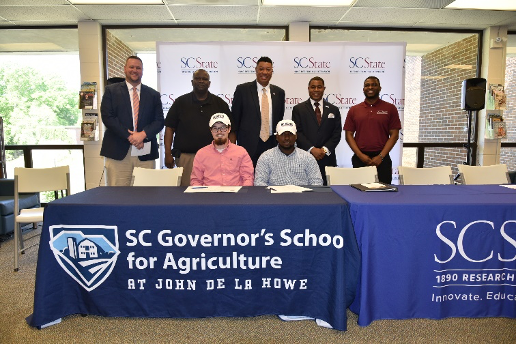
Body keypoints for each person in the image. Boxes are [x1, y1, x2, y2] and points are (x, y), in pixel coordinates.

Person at [100, 56, 164, 186]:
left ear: (142, 71)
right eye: (131, 67)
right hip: (118, 153)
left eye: (138, 68)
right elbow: (107, 117)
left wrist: (142, 135)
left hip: (145, 154)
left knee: (145, 196)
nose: (135, 70)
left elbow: (159, 121)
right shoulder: (111, 91)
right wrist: (131, 136)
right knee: (118, 197)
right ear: (125, 69)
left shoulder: (153, 95)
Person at [164, 69, 233, 186]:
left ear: (209, 83)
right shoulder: (180, 102)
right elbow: (170, 128)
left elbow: (231, 130)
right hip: (187, 157)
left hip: (215, 156)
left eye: (204, 79)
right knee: (187, 194)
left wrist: (230, 153)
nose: (201, 81)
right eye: (198, 78)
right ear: (192, 82)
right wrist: (167, 153)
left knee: (213, 192)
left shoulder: (220, 103)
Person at [343, 76, 401, 184]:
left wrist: (380, 157)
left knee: (384, 194)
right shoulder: (354, 110)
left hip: (382, 159)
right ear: (363, 89)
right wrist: (360, 156)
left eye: (374, 85)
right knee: (359, 193)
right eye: (367, 85)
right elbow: (348, 135)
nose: (370, 87)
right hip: (360, 158)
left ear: (380, 88)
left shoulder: (390, 108)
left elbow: (394, 135)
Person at [232, 56, 286, 167]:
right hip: (248, 145)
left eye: (268, 69)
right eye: (261, 69)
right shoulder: (242, 90)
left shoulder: (279, 92)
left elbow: (279, 118)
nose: (264, 72)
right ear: (256, 70)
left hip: (272, 143)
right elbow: (235, 120)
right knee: (249, 179)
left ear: (272, 71)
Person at [292, 76, 342, 185]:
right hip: (305, 157)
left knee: (328, 192)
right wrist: (311, 149)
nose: (316, 90)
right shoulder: (298, 109)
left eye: (319, 87)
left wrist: (324, 150)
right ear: (308, 88)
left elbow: (337, 133)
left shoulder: (334, 109)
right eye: (313, 87)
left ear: (324, 88)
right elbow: (297, 132)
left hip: (327, 159)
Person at [190, 113, 254, 186]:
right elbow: (196, 180)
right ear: (211, 130)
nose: (219, 132)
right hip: (209, 195)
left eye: (223, 128)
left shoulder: (241, 152)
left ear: (229, 129)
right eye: (215, 128)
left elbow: (248, 178)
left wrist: (242, 195)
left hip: (235, 195)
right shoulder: (201, 154)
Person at [254, 120, 323, 186]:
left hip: (301, 197)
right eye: (283, 134)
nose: (287, 138)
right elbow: (259, 182)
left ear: (296, 136)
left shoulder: (307, 157)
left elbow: (317, 182)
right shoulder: (266, 157)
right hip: (274, 197)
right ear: (277, 137)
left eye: (290, 134)